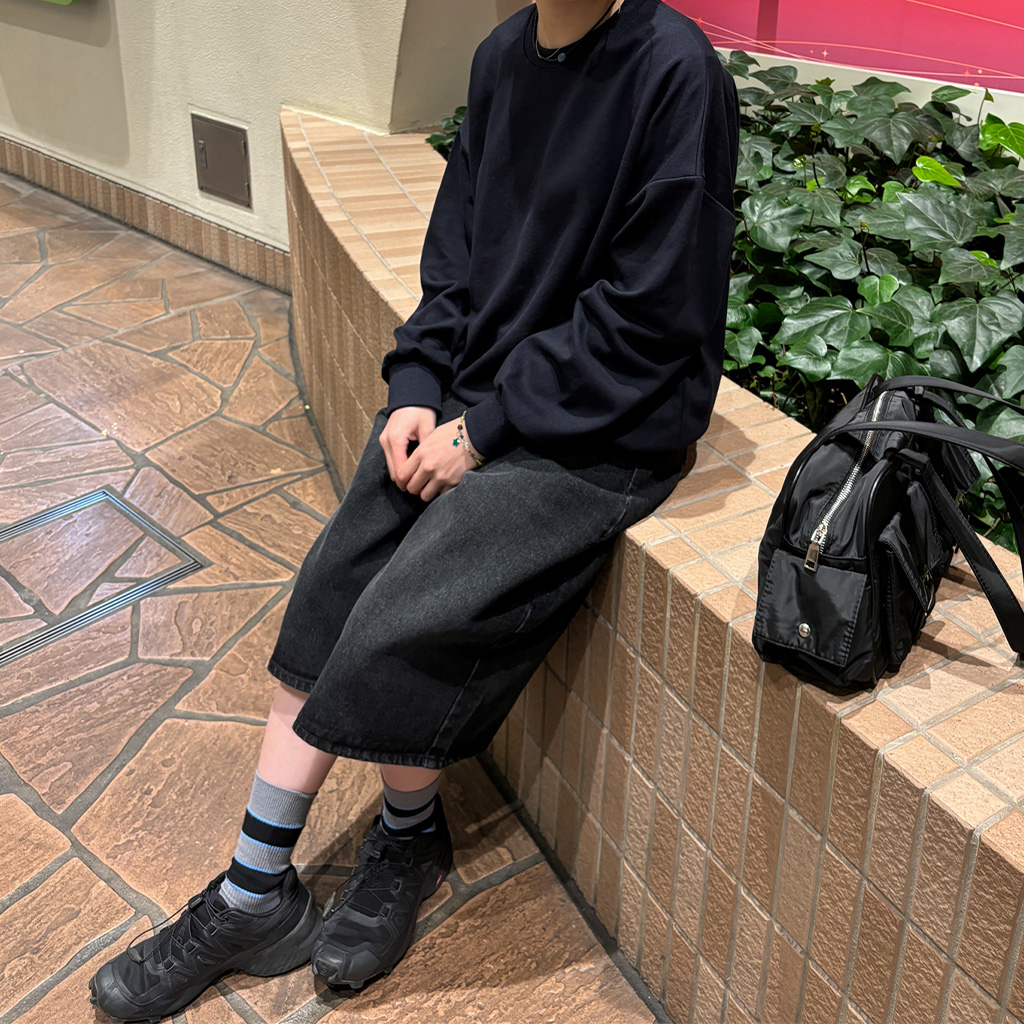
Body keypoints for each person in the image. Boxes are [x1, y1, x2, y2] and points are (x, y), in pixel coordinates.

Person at [89, 0, 738, 1019]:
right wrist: (417, 390)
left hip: (601, 426)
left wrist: (482, 429)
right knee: (335, 582)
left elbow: (651, 318)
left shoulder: (674, 71)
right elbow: (455, 263)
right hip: (483, 399)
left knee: (409, 607)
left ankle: (405, 836)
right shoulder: (502, 57)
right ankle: (256, 891)